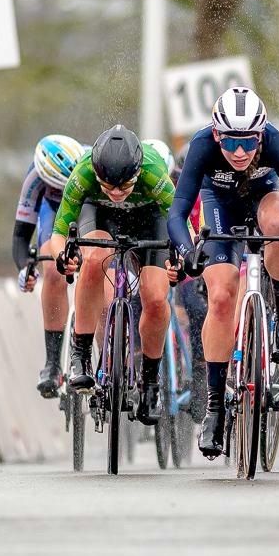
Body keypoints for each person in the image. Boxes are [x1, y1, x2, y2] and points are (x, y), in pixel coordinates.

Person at [168, 87, 279, 458]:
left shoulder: (274, 141)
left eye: (248, 142)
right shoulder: (202, 145)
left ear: (260, 134)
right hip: (219, 206)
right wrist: (188, 252)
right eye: (231, 142)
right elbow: (177, 212)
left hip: (265, 197)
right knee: (220, 298)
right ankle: (216, 407)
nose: (239, 152)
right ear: (217, 134)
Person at [42, 126, 175, 425]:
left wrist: (185, 255)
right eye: (108, 185)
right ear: (96, 173)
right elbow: (59, 232)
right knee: (93, 259)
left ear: (138, 172)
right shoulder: (84, 172)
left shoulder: (154, 172)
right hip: (100, 216)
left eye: (125, 186)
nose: (116, 193)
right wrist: (63, 256)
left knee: (155, 297)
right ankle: (81, 354)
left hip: (149, 218)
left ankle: (151, 383)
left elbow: (180, 224)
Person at [12, 134, 85, 398]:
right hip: (54, 214)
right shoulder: (35, 177)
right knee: (53, 271)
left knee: (97, 266)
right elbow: (21, 234)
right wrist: (25, 267)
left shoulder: (91, 163)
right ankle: (53, 364)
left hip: (87, 206)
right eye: (58, 187)